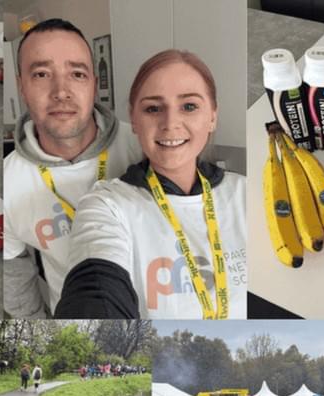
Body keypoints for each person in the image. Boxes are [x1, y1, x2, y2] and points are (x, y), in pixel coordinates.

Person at [56, 49, 246, 319]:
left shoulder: (247, 193)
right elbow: (94, 290)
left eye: (189, 106)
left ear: (213, 117)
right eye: (153, 109)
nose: (170, 123)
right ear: (134, 120)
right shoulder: (106, 206)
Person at [3, 18, 145, 318]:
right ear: (21, 86)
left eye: (77, 74)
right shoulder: (5, 184)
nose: (61, 91)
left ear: (94, 84)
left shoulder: (144, 147)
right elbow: (14, 278)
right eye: (42, 74)